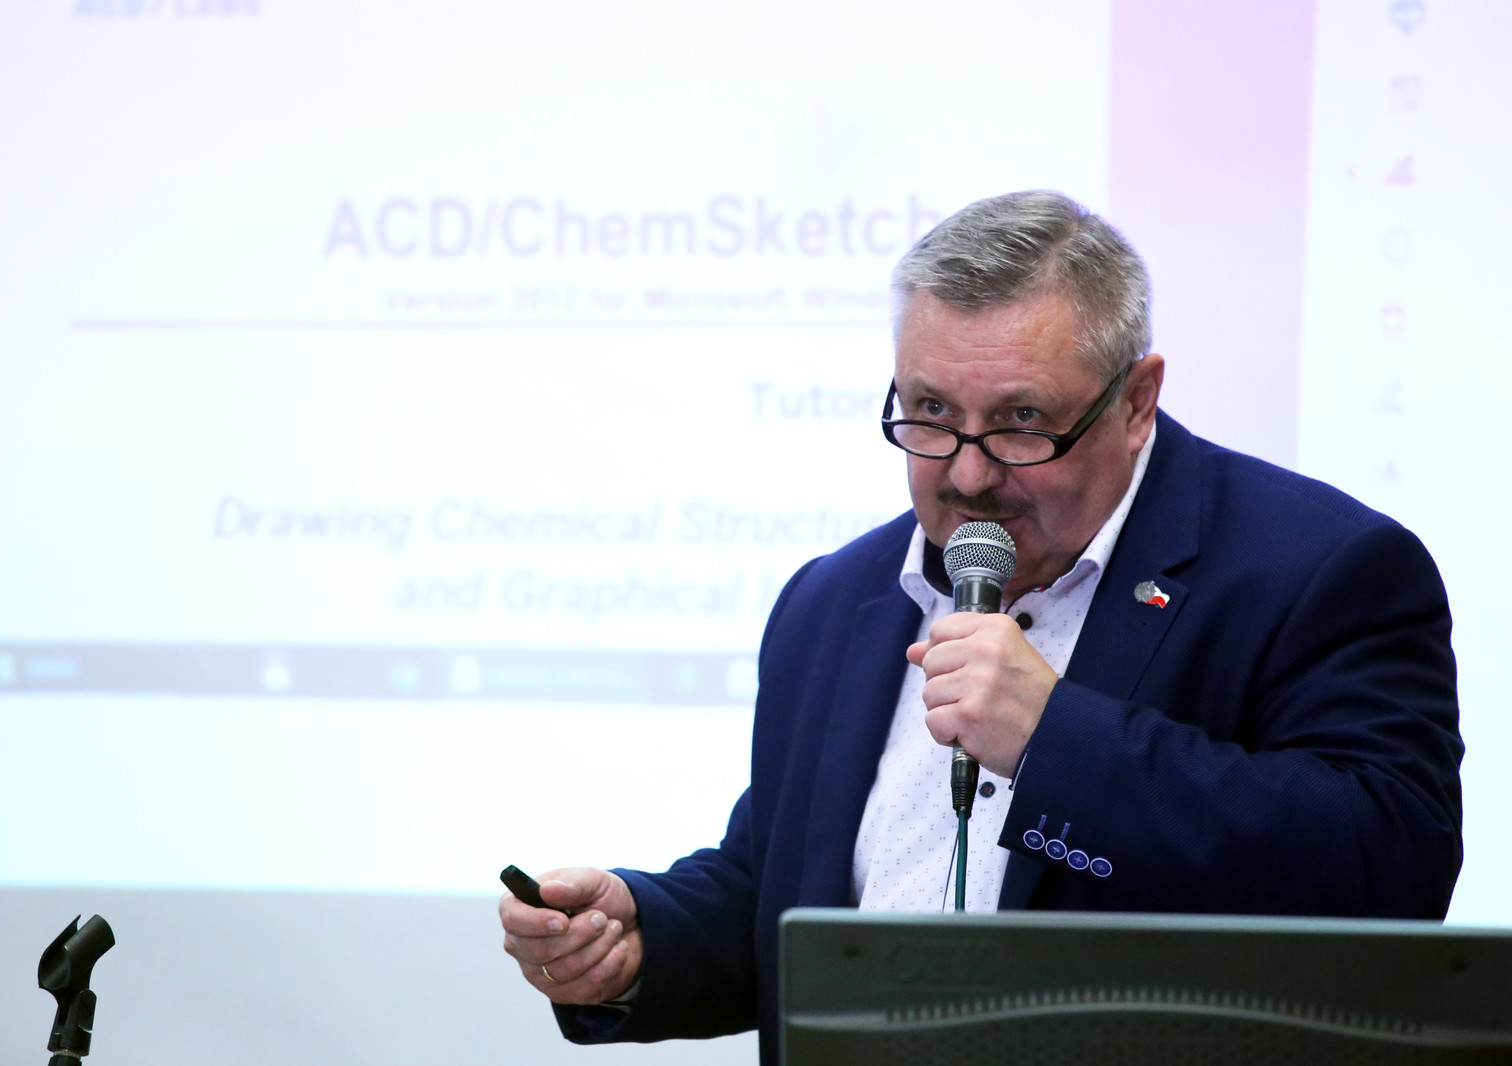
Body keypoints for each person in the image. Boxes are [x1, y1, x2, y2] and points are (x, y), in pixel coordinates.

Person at [497, 191, 1465, 1064]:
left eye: (1021, 420)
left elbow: (1390, 872)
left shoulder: (1318, 568)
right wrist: (642, 937)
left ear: (1136, 401)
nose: (966, 473)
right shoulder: (835, 599)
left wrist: (1055, 739)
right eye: (929, 411)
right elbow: (789, 886)